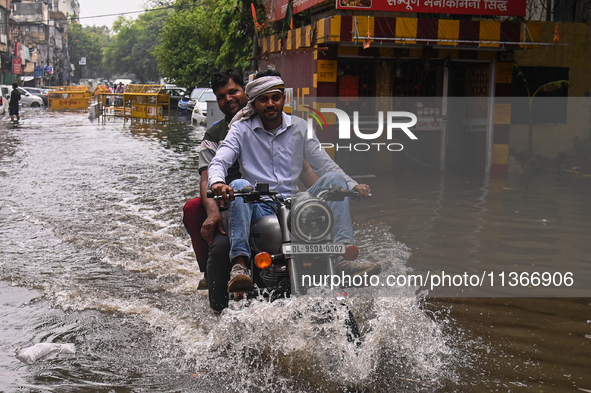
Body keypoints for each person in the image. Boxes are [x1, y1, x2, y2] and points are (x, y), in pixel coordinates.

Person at [209, 70, 381, 293]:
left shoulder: (300, 127)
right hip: (259, 206)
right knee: (240, 185)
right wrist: (217, 183)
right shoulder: (240, 129)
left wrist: (352, 185)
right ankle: (240, 266)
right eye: (263, 99)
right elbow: (219, 161)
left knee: (335, 179)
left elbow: (324, 164)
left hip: (297, 203)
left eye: (275, 97)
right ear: (254, 102)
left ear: (283, 98)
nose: (270, 104)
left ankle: (341, 256)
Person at [183, 69, 319, 311]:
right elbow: (207, 177)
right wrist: (214, 213)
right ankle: (220, 308)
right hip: (234, 200)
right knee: (222, 246)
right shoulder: (216, 133)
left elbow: (304, 169)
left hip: (276, 200)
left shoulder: (281, 124)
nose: (229, 99)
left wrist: (323, 195)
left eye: (234, 92)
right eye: (222, 96)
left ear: (246, 93)